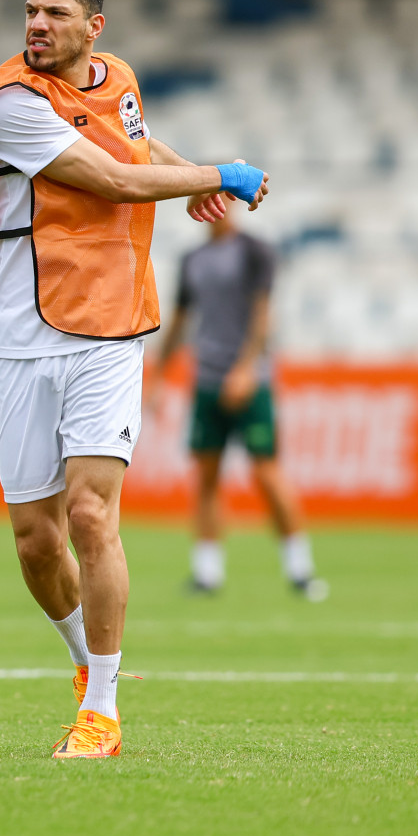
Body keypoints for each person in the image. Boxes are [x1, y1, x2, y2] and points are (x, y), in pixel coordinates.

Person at [0, 0, 269, 759]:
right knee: (34, 537)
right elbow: (107, 179)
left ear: (95, 27)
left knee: (93, 514)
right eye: (29, 11)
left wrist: (181, 165)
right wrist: (214, 174)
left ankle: (101, 710)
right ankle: (83, 664)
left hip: (112, 328)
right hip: (22, 332)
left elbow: (129, 142)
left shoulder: (117, 76)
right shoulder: (13, 104)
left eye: (55, 13)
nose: (36, 25)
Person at [147, 203, 325, 601]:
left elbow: (263, 314)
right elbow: (180, 319)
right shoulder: (192, 259)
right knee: (207, 476)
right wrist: (159, 375)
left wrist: (246, 368)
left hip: (250, 381)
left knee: (266, 472)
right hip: (208, 378)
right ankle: (207, 571)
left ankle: (300, 568)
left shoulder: (255, 250)